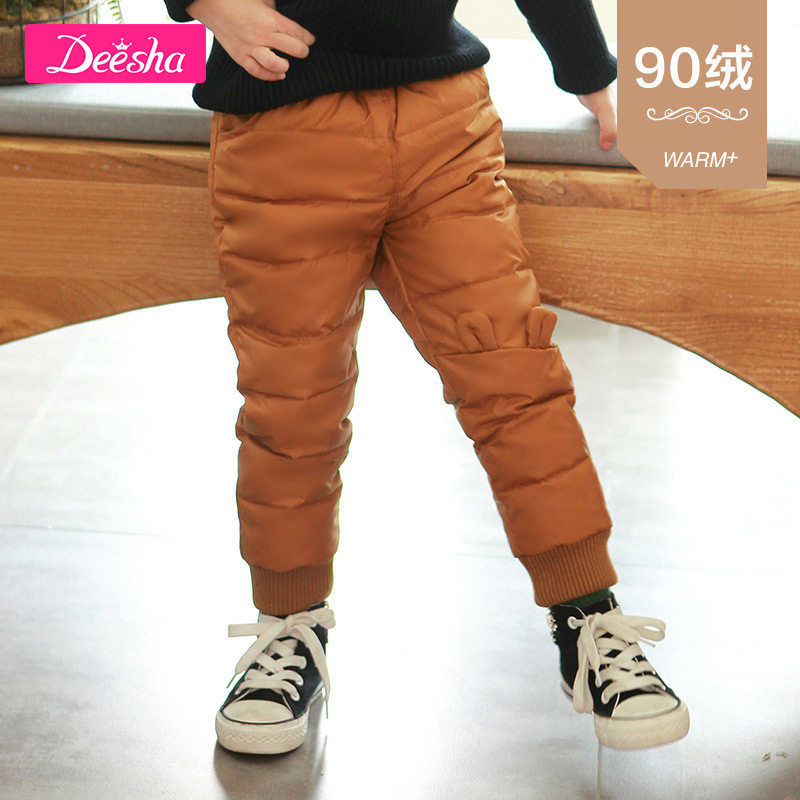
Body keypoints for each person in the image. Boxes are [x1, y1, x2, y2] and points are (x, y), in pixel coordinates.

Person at [163, 0, 689, 757]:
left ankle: (588, 617)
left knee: (513, 370)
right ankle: (288, 628)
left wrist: (590, 74)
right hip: (283, 127)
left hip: (442, 122)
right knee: (292, 399)